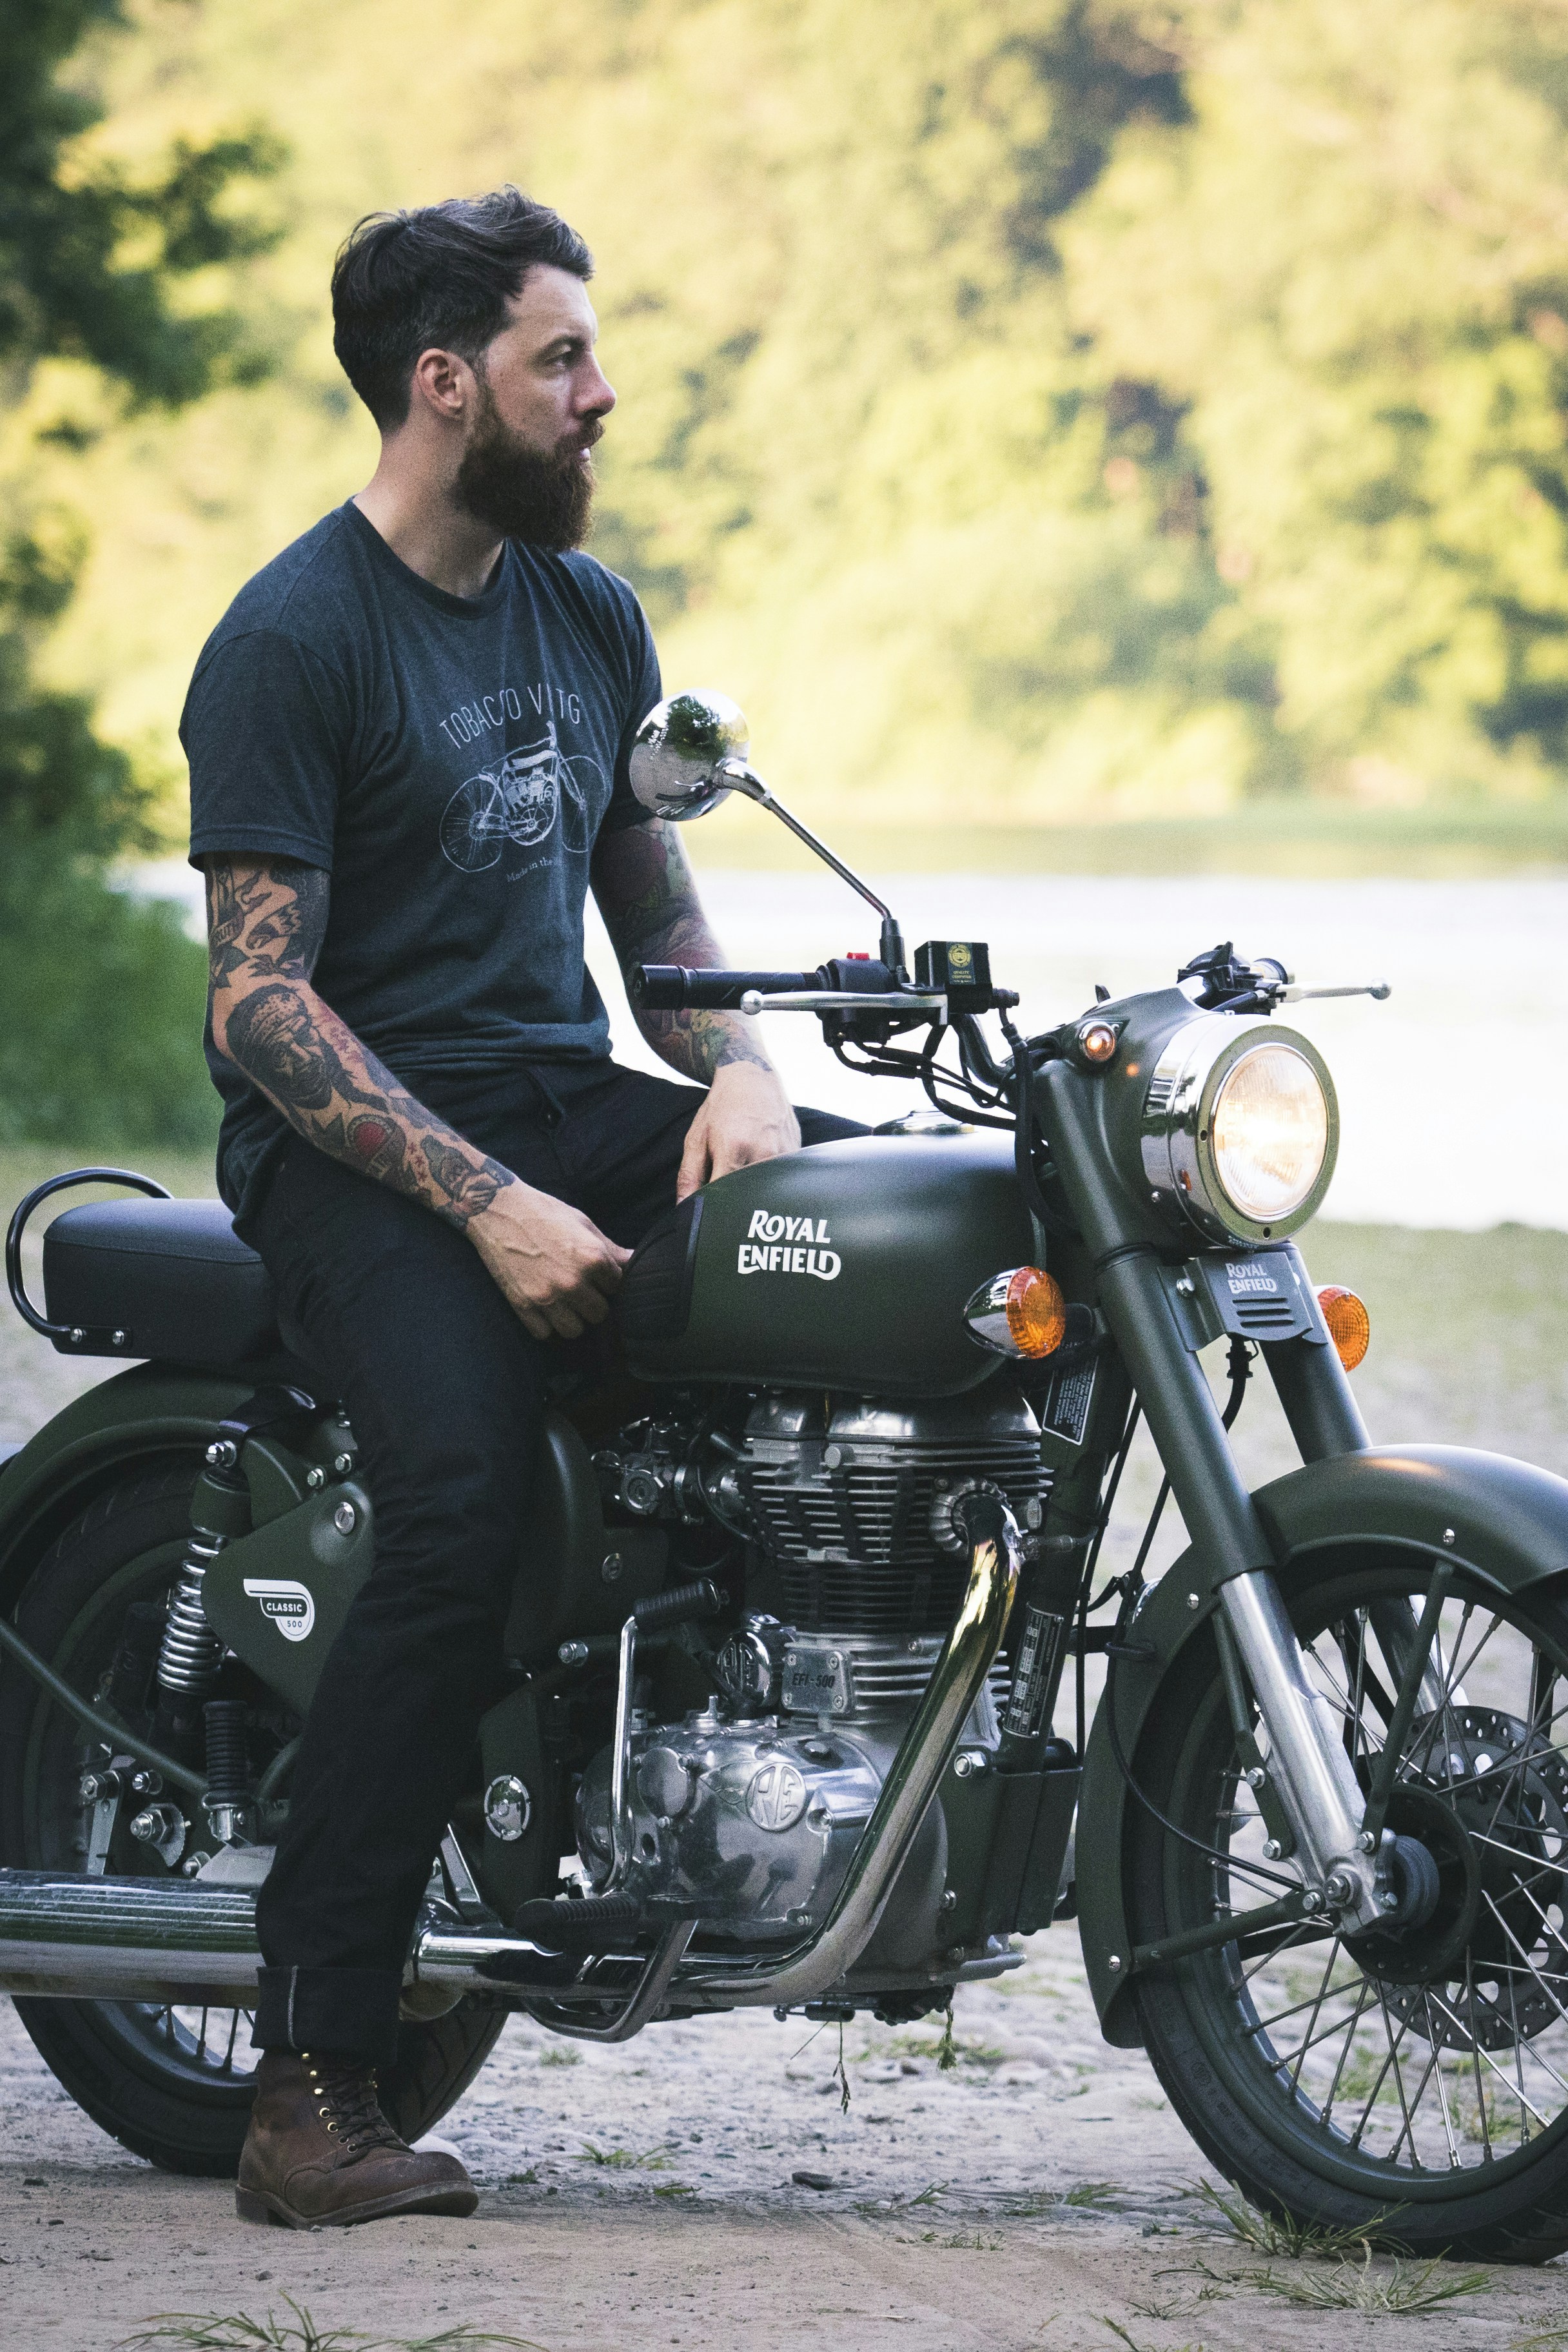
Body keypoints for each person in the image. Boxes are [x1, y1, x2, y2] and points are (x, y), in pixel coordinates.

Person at [183, 187, 860, 2230]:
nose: (605, 394)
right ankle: (312, 2076)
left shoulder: (591, 619)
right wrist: (486, 1209)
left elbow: (656, 927)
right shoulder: (292, 637)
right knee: (463, 1493)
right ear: (444, 385)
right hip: (356, 1150)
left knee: (855, 1246)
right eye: (566, 362)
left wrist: (741, 1071)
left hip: (557, 1096)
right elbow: (256, 1002)